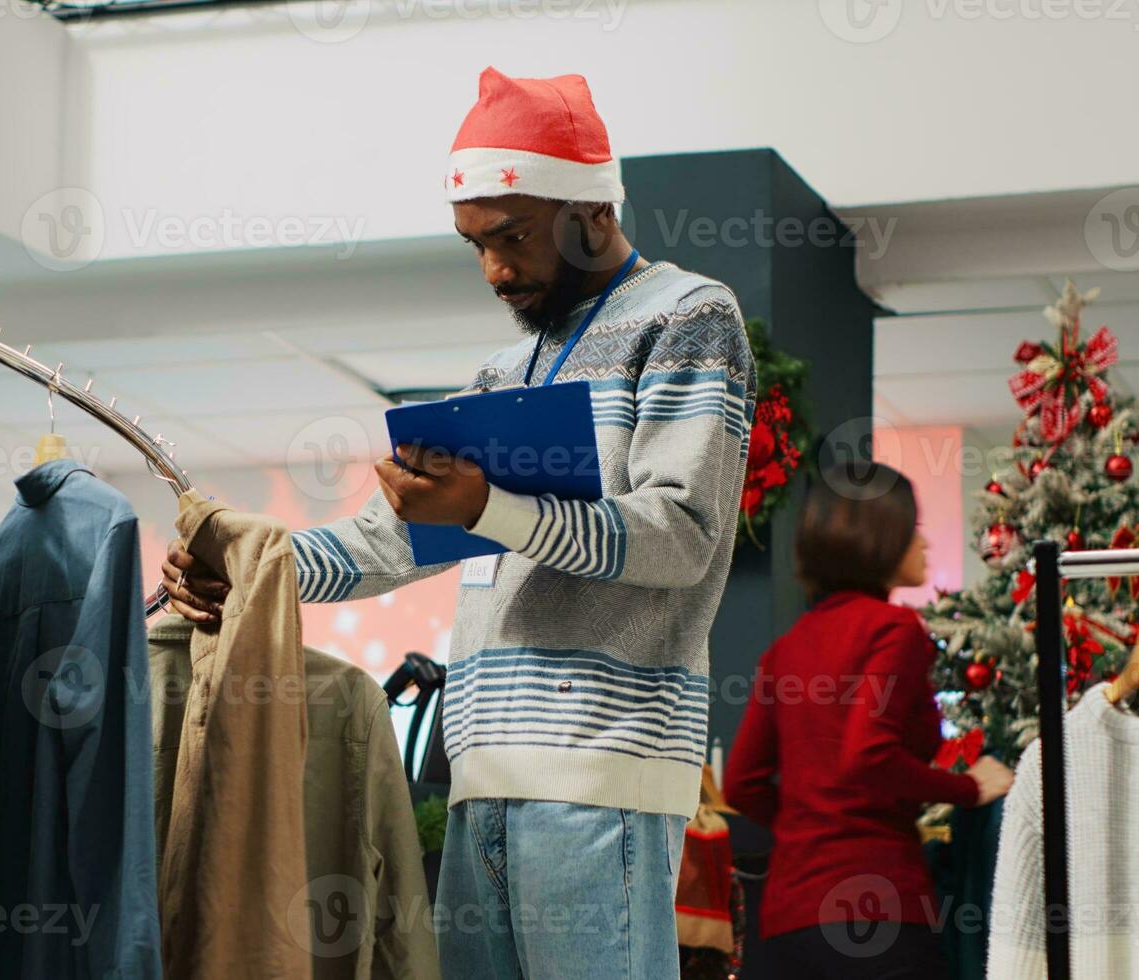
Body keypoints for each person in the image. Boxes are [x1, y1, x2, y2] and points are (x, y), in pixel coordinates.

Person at [164, 68, 754, 978]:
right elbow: (384, 543)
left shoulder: (687, 317)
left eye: (511, 237)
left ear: (591, 210)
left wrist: (487, 505)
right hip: (478, 781)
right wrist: (248, 563)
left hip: (601, 779)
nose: (494, 270)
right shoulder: (502, 370)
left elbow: (680, 534)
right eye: (473, 244)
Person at [723, 463, 1014, 978]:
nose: (923, 545)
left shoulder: (786, 650)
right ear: (879, 538)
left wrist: (808, 823)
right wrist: (967, 788)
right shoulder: (893, 629)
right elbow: (869, 753)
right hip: (877, 912)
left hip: (789, 923)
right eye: (913, 529)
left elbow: (743, 784)